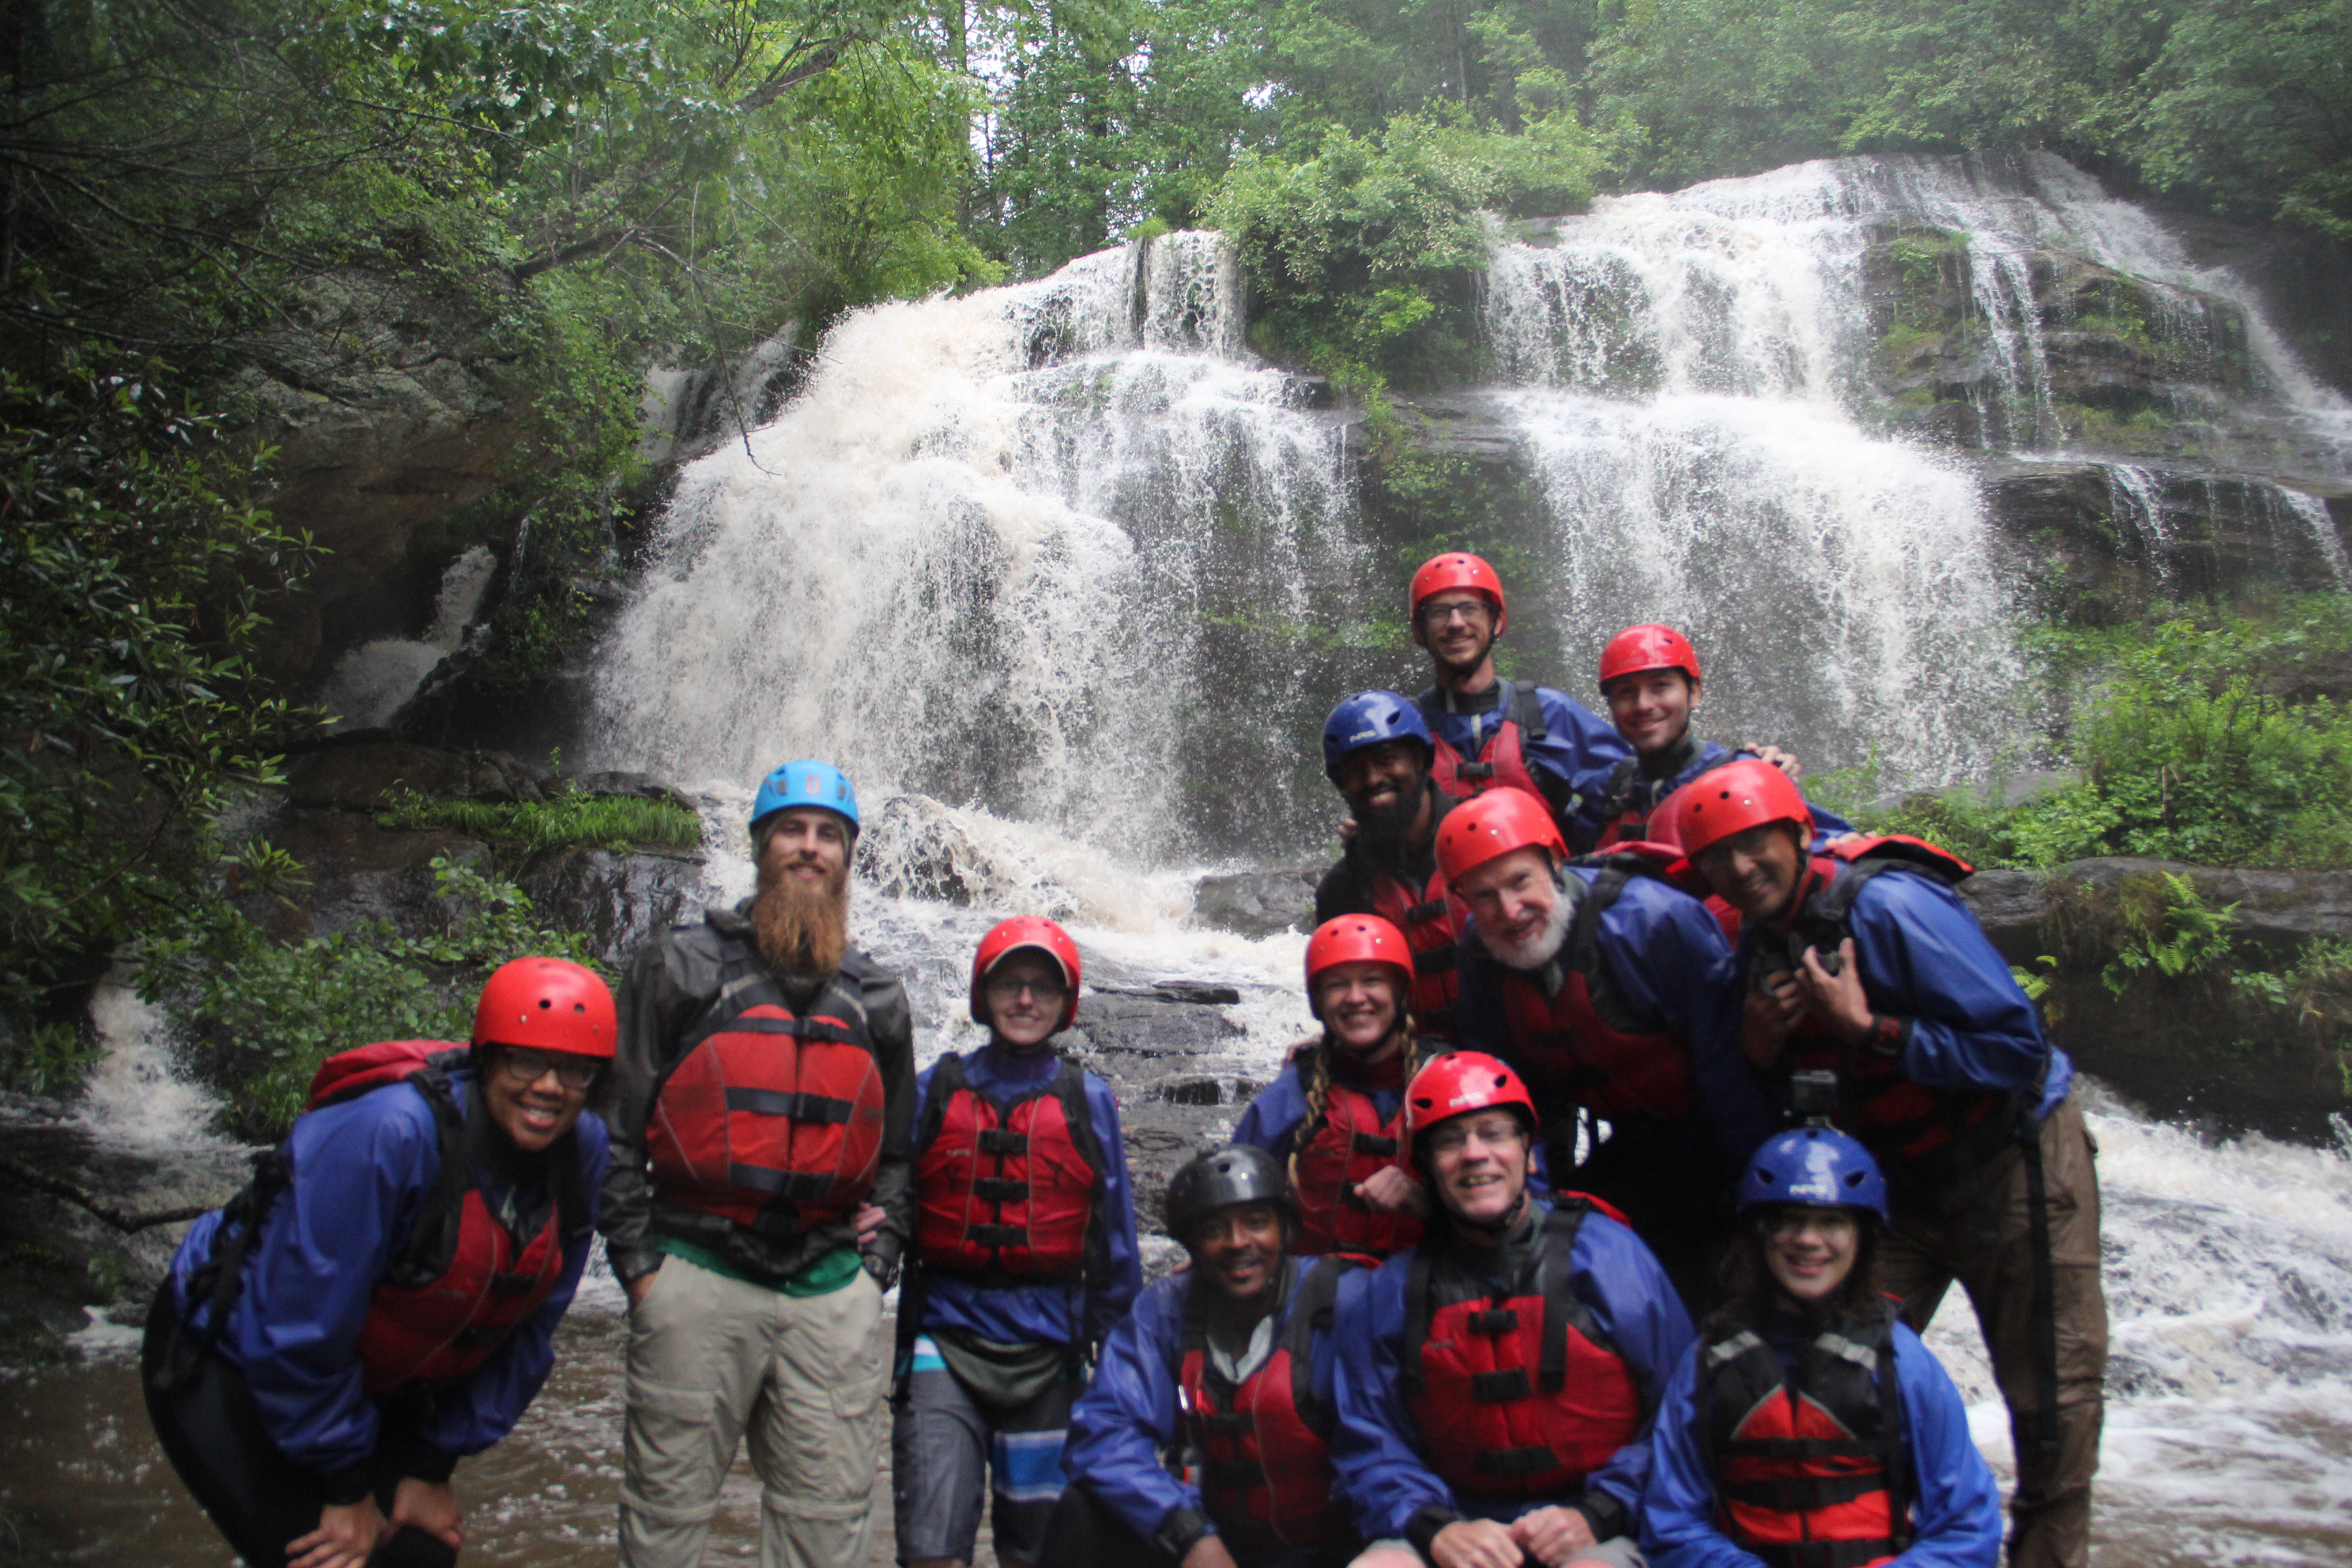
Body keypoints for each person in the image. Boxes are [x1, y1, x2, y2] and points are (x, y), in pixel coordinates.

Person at [1669, 760, 2106, 1568]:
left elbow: (2014, 1048)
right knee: (1820, 1364)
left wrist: (1872, 1029)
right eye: (1716, 859)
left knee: (2053, 1402)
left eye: (1753, 844)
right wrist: (1758, 1048)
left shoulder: (1894, 907)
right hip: (1895, 1186)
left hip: (2013, 1165)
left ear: (1799, 834)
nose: (1738, 869)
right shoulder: (1748, 941)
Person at [144, 957, 617, 1568]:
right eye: (526, 1061)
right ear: (488, 1059)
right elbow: (299, 1325)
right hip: (231, 1356)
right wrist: (346, 1488)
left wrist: (432, 1466)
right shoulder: (388, 1135)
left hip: (368, 1384)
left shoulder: (584, 1153)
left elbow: (530, 1330)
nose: (550, 1088)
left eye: (575, 1070)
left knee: (419, 1557)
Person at [600, 760, 917, 1568]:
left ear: (849, 858)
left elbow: (899, 1153)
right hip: (694, 1275)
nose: (809, 849)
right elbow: (617, 1130)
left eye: (828, 836)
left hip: (828, 1290)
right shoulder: (676, 966)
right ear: (759, 847)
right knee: (663, 1524)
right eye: (792, 831)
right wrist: (641, 1267)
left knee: (826, 1529)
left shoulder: (877, 997)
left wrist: (874, 1264)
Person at [1332, 1051, 1697, 1568]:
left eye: (1494, 1133)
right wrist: (1435, 1528)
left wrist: (1599, 1512)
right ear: (1427, 1168)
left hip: (1603, 1524)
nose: (1475, 1154)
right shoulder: (1394, 1290)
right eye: (1451, 1141)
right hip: (1459, 1523)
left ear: (1528, 1152)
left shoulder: (1610, 1259)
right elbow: (1369, 1442)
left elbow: (1681, 1414)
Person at [1439, 787, 1774, 1313]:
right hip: (1635, 1145)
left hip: (1718, 1135)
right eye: (1483, 896)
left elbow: (1727, 1071)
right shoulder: (1480, 952)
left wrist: (1754, 1203)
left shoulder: (1653, 922)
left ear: (1553, 861)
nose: (1509, 909)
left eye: (1520, 881)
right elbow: (1509, 1094)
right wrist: (1528, 1209)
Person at [894, 915, 1144, 1568]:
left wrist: (1119, 1372)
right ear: (983, 995)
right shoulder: (934, 1089)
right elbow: (890, 1197)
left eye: (1041, 987)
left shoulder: (1089, 1102)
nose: (1025, 1000)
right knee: (929, 1550)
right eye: (1010, 983)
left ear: (1065, 1005)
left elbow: (1115, 1244)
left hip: (1050, 1355)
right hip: (944, 1345)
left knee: (1041, 1554)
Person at [1640, 1128, 2003, 1568]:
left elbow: (1967, 1527)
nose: (1808, 1239)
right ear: (1759, 1233)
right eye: (1788, 1220)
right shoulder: (1708, 1362)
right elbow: (1670, 1524)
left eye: (1832, 1222)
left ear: (1862, 1237)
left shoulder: (1903, 1363)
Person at [1044, 1145, 1372, 1568]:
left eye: (1256, 1223)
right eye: (1215, 1230)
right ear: (1193, 1247)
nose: (1238, 1244)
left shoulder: (1345, 1302)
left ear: (1286, 1230)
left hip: (1327, 1551)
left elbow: (1388, 1445)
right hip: (1213, 1543)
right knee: (1081, 1510)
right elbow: (1104, 1431)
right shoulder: (1165, 1311)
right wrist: (1186, 1531)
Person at [1235, 914, 1429, 1262]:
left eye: (1372, 980)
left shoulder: (1443, 1078)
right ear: (1318, 1002)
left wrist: (1427, 1203)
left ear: (1400, 993)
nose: (1356, 998)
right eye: (1337, 985)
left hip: (1422, 1288)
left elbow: (1502, 1203)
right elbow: (1234, 1187)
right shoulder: (1297, 1088)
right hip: (1316, 1291)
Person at [1407, 552, 1631, 852]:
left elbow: (1633, 783)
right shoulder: (1407, 728)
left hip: (1543, 895)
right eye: (1439, 612)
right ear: (1419, 631)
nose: (1456, 623)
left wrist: (1581, 861)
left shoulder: (1548, 713)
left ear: (1497, 621)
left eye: (1469, 609)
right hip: (1447, 895)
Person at [1587, 625, 1848, 854]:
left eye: (1660, 686)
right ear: (1611, 705)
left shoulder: (1744, 775)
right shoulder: (1608, 787)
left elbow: (1830, 844)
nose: (1643, 704)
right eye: (1626, 692)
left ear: (1695, 694)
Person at [1313, 691, 1469, 1043]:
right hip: (1410, 1073)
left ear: (1420, 760)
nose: (1372, 779)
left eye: (1387, 760)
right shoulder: (1342, 892)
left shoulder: (1485, 838)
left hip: (1514, 1067)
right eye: (1356, 770)